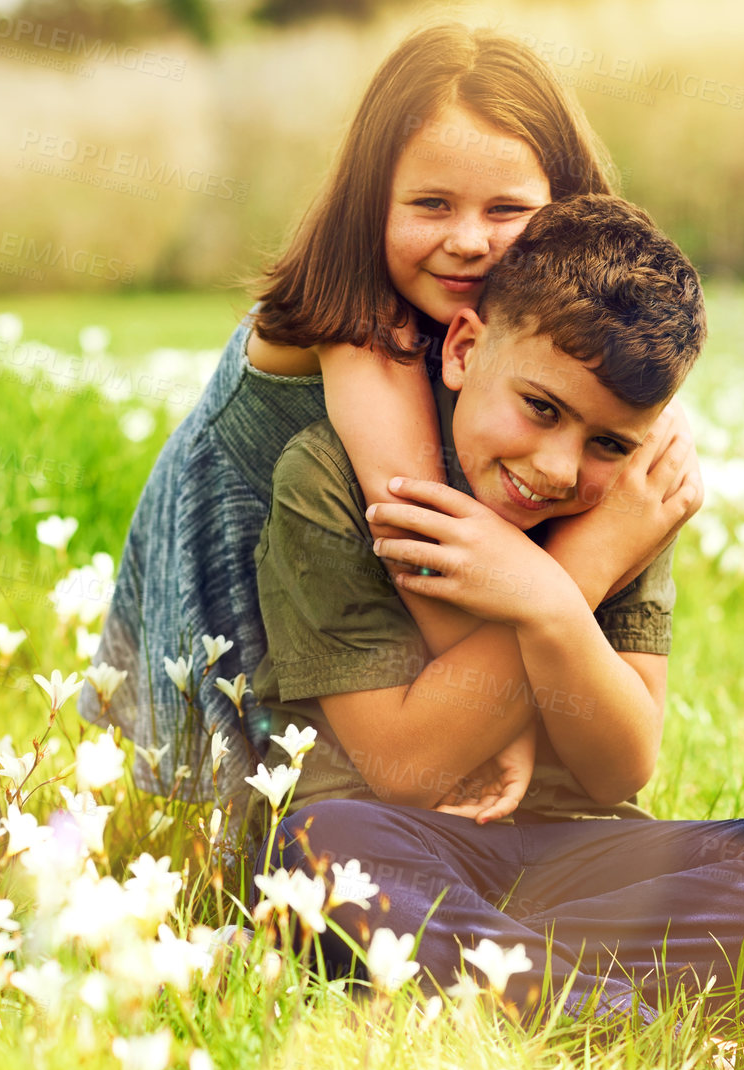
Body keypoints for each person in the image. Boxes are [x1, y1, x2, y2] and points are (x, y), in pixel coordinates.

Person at [252, 194, 744, 1033]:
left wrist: (556, 600)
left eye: (608, 442)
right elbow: (405, 768)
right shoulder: (329, 481)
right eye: (541, 408)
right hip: (401, 845)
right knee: (318, 853)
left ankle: (523, 995)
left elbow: (619, 768)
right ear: (464, 346)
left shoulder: (628, 504)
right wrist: (575, 570)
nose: (558, 468)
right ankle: (669, 1039)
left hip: (577, 858)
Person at [79, 24, 669, 835]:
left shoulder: (533, 339)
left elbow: (639, 438)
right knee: (278, 826)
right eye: (431, 205)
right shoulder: (361, 323)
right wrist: (565, 608)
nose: (467, 241)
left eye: (507, 210)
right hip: (265, 573)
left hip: (392, 620)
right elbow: (420, 543)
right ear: (372, 201)